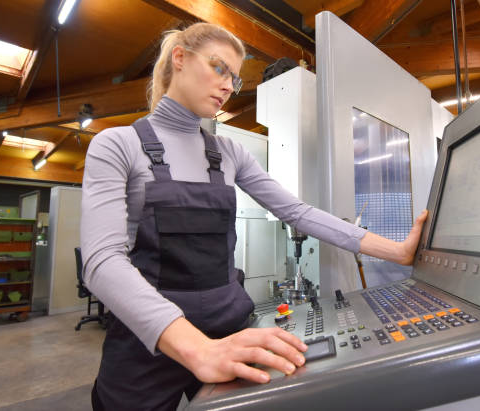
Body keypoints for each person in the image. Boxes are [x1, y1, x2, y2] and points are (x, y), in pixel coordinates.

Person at [81, 22, 428, 411]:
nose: (229, 85)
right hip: (148, 341)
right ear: (179, 58)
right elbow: (101, 261)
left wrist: (397, 252)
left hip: (228, 326)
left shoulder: (229, 153)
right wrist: (197, 348)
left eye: (235, 78)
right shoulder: (118, 145)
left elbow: (297, 212)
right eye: (219, 68)